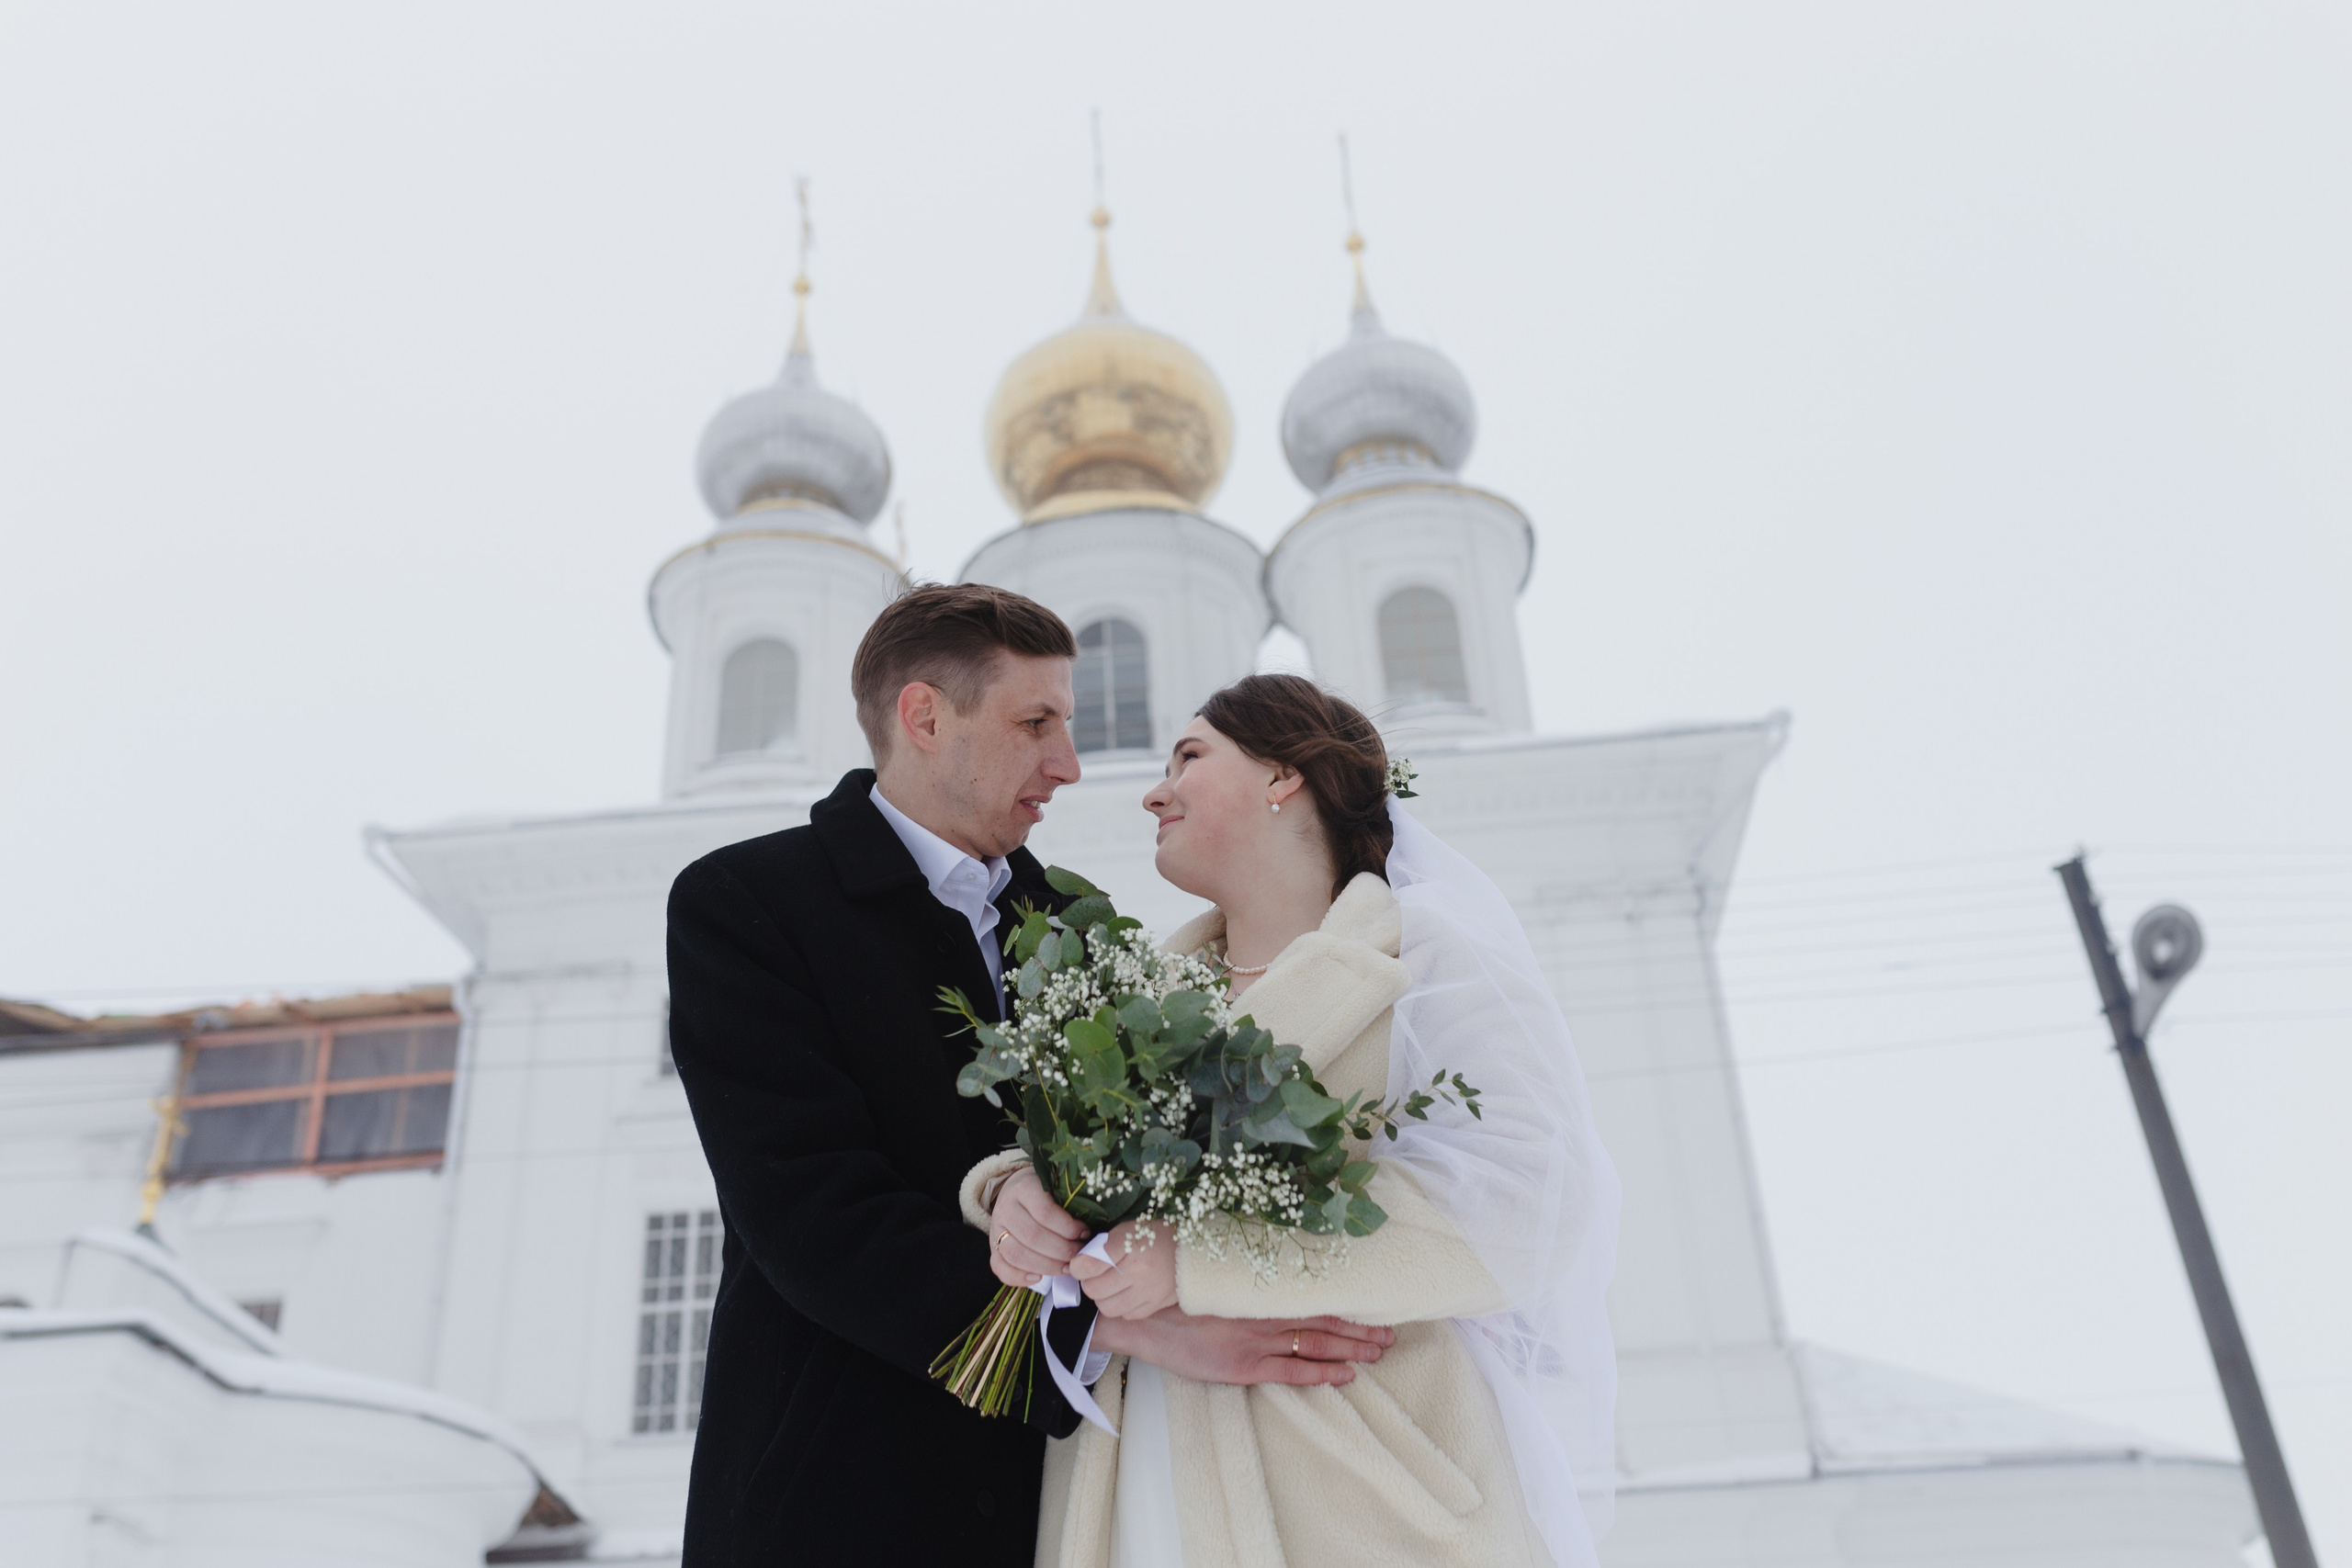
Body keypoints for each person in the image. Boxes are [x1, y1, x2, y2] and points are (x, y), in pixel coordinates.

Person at [666, 590, 1391, 1568]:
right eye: (1034, 724)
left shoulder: (1080, 925)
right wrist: (1118, 1332)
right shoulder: (749, 901)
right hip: (832, 1488)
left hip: (1050, 1505)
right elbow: (806, 1207)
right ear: (925, 717)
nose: (1069, 765)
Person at [976, 674, 1621, 1568]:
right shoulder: (1135, 1004)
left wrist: (1199, 1258)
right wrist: (1012, 1193)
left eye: (1190, 757)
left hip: (1355, 1485)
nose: (1153, 791)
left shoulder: (1428, 960)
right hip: (1135, 1476)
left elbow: (1521, 1204)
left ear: (1284, 775)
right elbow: (1063, 1181)